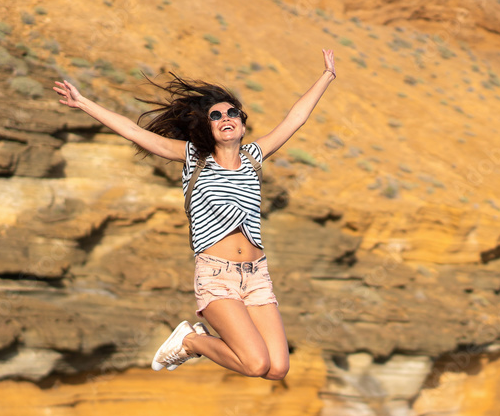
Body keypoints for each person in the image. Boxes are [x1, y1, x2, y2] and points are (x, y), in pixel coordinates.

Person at [53, 50, 336, 380]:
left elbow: (295, 119)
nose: (225, 117)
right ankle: (192, 341)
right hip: (217, 276)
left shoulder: (255, 157)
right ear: (208, 127)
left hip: (258, 275)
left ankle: (196, 340)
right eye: (216, 116)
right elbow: (133, 131)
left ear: (243, 123)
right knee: (255, 364)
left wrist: (327, 75)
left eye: (233, 113)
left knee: (277, 369)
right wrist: (84, 103)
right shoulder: (193, 158)